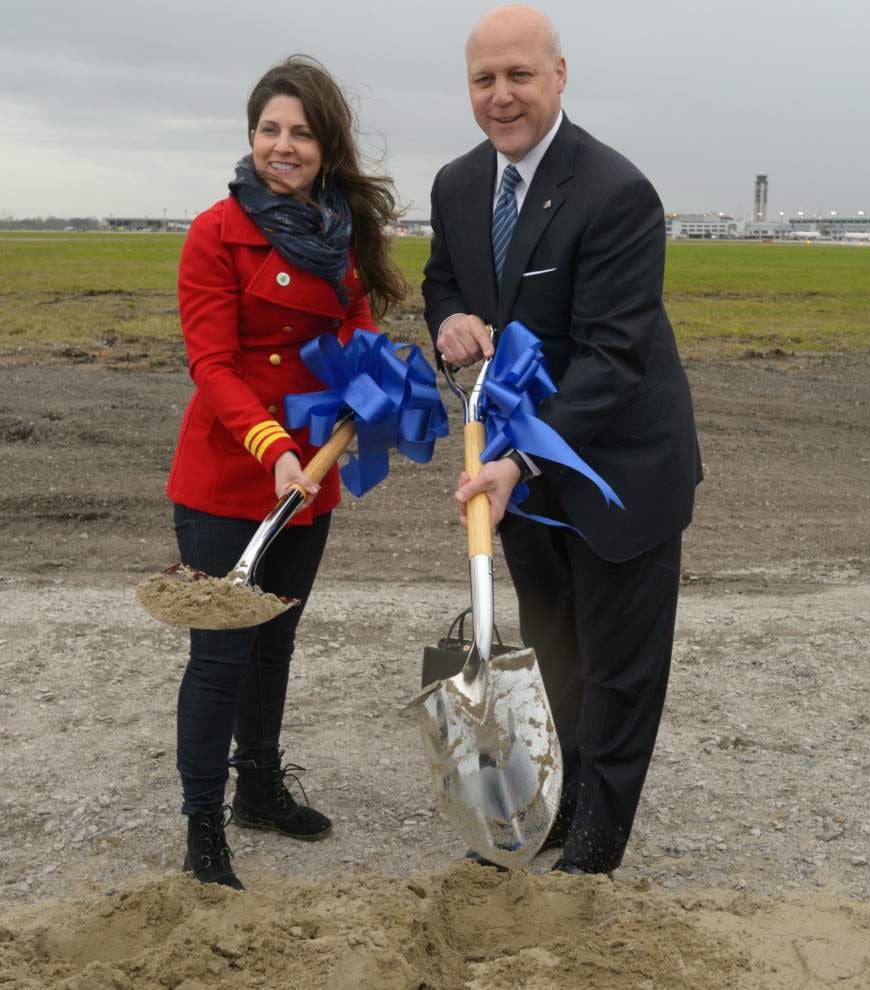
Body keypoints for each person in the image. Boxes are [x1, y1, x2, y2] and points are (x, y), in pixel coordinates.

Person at [422, 6, 702, 876]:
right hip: (523, 478)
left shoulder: (617, 192)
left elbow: (613, 359)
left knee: (619, 668)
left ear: (559, 76)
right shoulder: (458, 184)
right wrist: (452, 321)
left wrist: (517, 460)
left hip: (619, 468)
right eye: (483, 79)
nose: (501, 97)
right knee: (552, 651)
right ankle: (547, 810)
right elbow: (442, 279)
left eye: (519, 76)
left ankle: (591, 850)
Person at [166, 55, 407, 889]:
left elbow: (356, 329)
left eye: (300, 132)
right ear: (250, 137)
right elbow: (213, 363)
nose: (283, 145)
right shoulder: (214, 232)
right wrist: (273, 448)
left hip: (313, 473)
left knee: (275, 645)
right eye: (270, 129)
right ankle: (204, 828)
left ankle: (259, 790)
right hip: (232, 475)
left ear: (326, 146)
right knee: (221, 654)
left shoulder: (337, 235)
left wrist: (378, 386)